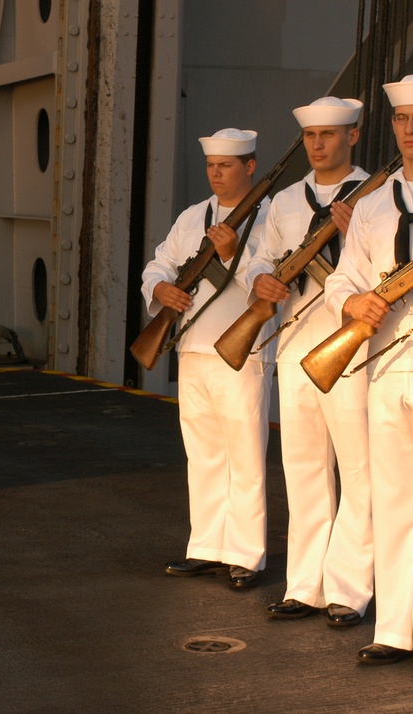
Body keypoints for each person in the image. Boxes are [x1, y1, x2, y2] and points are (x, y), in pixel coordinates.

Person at [324, 74, 413, 678]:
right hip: (384, 367)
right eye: (402, 121)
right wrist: (352, 306)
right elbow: (342, 279)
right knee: (395, 501)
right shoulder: (375, 204)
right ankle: (395, 629)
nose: (410, 131)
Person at [247, 98, 374, 627]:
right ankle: (305, 585)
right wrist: (260, 276)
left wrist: (351, 232)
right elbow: (262, 253)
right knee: (302, 470)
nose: (318, 144)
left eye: (329, 133)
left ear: (354, 136)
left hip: (353, 349)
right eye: (310, 136)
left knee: (360, 472)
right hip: (298, 347)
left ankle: (349, 588)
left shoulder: (378, 196)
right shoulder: (283, 202)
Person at [142, 129, 274, 588]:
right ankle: (206, 547)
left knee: (244, 455)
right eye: (212, 166)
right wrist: (160, 288)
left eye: (228, 166)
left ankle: (245, 554)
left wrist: (234, 252)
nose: (217, 174)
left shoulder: (267, 217)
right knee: (203, 454)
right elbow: (160, 263)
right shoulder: (192, 216)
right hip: (193, 348)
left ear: (250, 166)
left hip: (242, 350)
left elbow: (270, 277)